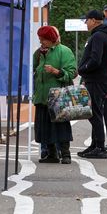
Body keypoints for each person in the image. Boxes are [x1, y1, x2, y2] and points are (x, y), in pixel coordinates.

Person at [33, 25, 77, 164]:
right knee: (44, 126)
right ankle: (51, 154)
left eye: (43, 40)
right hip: (42, 96)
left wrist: (56, 72)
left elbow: (72, 72)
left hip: (58, 97)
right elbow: (33, 67)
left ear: (51, 39)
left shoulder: (64, 51)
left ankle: (66, 154)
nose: (41, 42)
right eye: (40, 40)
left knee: (61, 126)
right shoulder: (39, 53)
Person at [77, 10, 107, 159]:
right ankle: (94, 145)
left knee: (95, 113)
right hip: (98, 79)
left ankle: (100, 147)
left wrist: (82, 69)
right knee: (94, 113)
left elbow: (95, 59)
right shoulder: (101, 35)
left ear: (93, 20)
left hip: (96, 80)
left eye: (87, 20)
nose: (86, 23)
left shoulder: (98, 36)